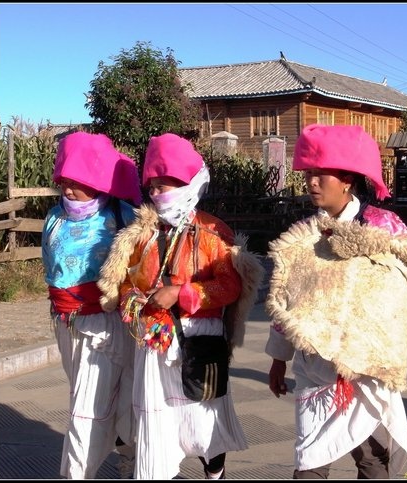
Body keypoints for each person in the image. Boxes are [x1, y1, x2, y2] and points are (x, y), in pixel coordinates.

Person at [265, 124, 407, 479]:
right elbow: (289, 296)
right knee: (309, 461)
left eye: (321, 174)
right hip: (315, 368)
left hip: (364, 370)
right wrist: (279, 357)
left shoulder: (384, 226)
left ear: (347, 180)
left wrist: (373, 345)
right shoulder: (305, 233)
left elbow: (404, 295)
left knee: (371, 460)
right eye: (308, 173)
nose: (311, 182)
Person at [97, 133, 264, 480]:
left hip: (199, 340)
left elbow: (229, 286)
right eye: (152, 187)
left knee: (202, 419)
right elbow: (128, 280)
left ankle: (213, 474)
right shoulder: (141, 233)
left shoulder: (213, 232)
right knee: (155, 421)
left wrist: (181, 293)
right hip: (154, 341)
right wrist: (133, 301)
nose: (156, 194)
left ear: (187, 183)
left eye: (165, 185)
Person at [42, 131, 142, 479]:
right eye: (64, 181)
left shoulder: (123, 216)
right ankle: (130, 457)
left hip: (106, 325)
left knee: (87, 410)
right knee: (101, 401)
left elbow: (147, 265)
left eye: (77, 181)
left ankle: (76, 474)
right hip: (65, 324)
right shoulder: (55, 217)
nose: (68, 189)